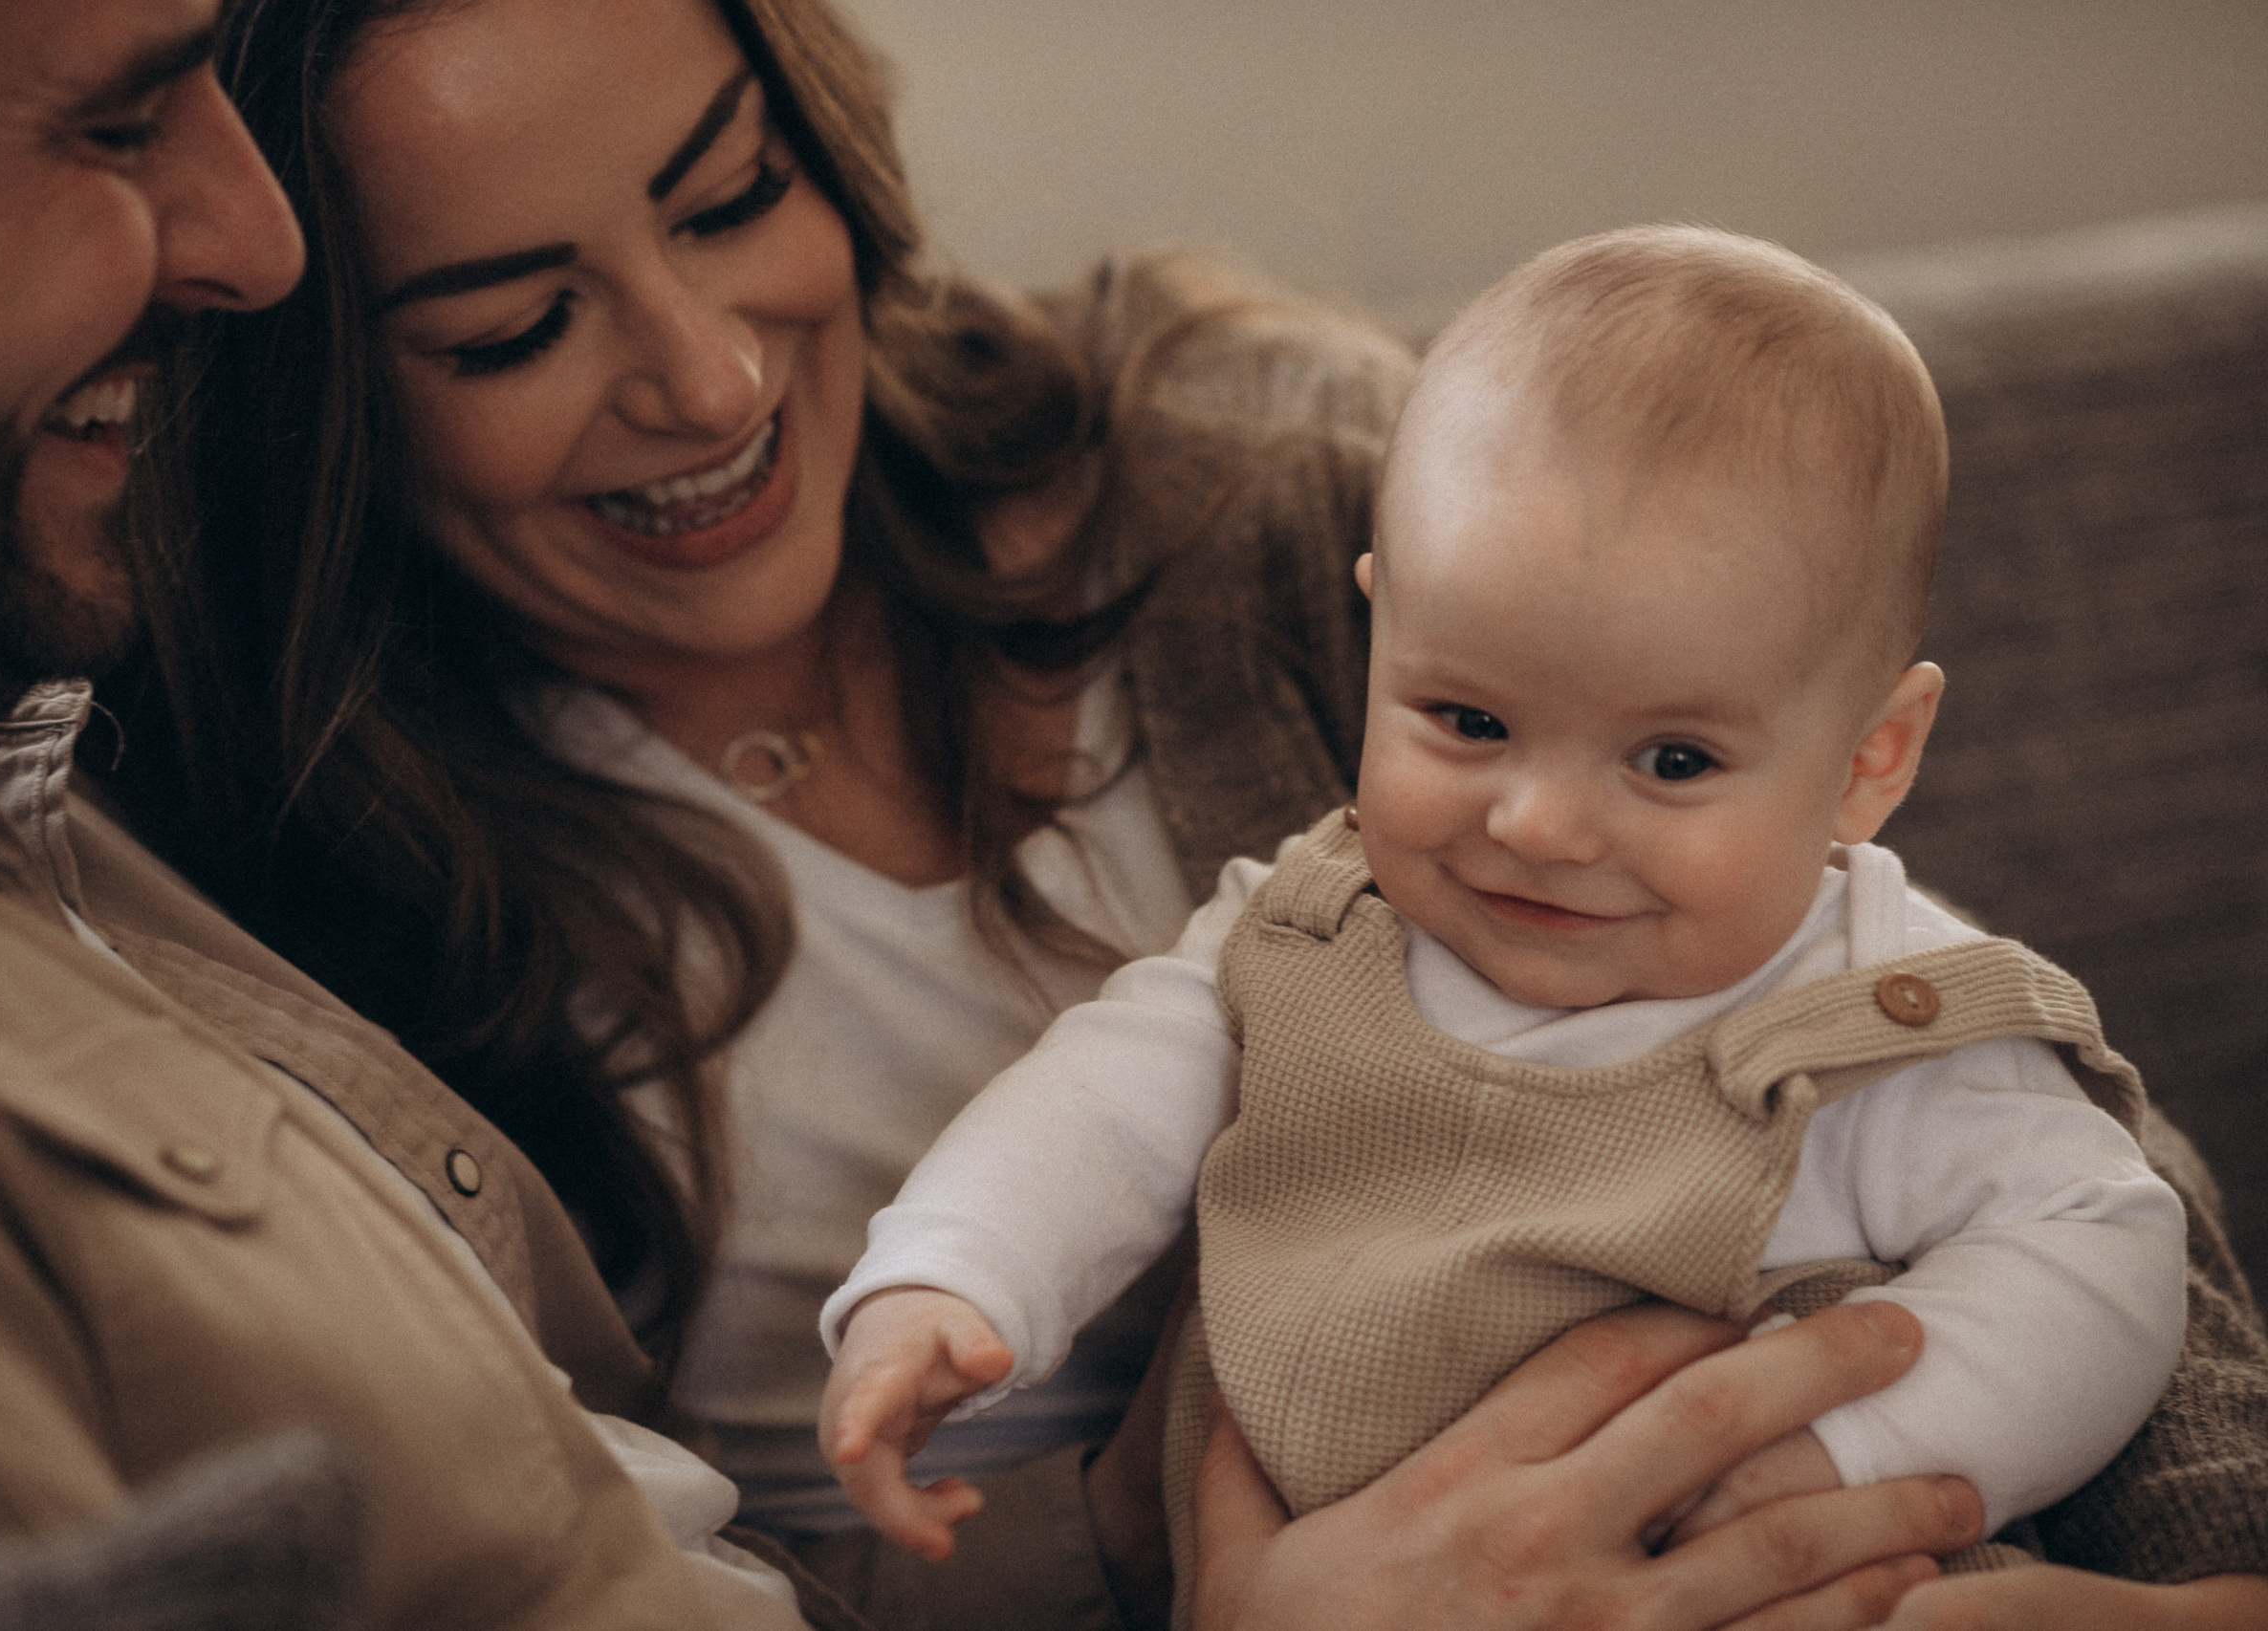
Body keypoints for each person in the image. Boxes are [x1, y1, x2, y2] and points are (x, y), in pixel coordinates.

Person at [0, 0, 2010, 1627]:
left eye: (728, 198)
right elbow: (660, 1548)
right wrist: (1197, 1531)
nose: (701, 378)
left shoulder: (1268, 494)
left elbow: (1947, 1045)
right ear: (311, 400)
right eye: (509, 328)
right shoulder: (268, 898)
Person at [816, 229, 2188, 1598]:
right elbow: (1093, 1109)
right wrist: (950, 1279)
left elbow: (2107, 1246)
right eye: (1468, 719)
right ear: (1379, 637)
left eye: (1672, 760)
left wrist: (1845, 1442)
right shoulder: (1307, 932)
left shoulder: (1873, 1023)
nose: (1534, 824)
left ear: (1870, 759)